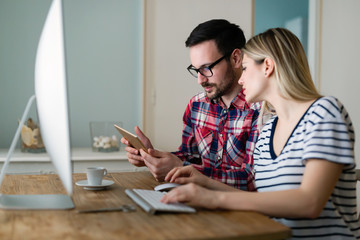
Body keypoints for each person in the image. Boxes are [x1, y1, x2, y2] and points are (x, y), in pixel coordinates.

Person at [161, 28, 360, 239]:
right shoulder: (268, 131)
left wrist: (212, 198)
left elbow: (309, 203)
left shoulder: (323, 112)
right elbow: (261, 199)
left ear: (267, 66)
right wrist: (203, 181)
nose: (240, 79)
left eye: (245, 69)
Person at [121, 19, 261, 190]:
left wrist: (181, 169)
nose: (200, 80)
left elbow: (251, 180)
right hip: (199, 203)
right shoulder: (197, 105)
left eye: (207, 68)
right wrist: (152, 156)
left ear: (236, 58)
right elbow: (190, 156)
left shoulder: (260, 110)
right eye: (196, 70)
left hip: (242, 212)